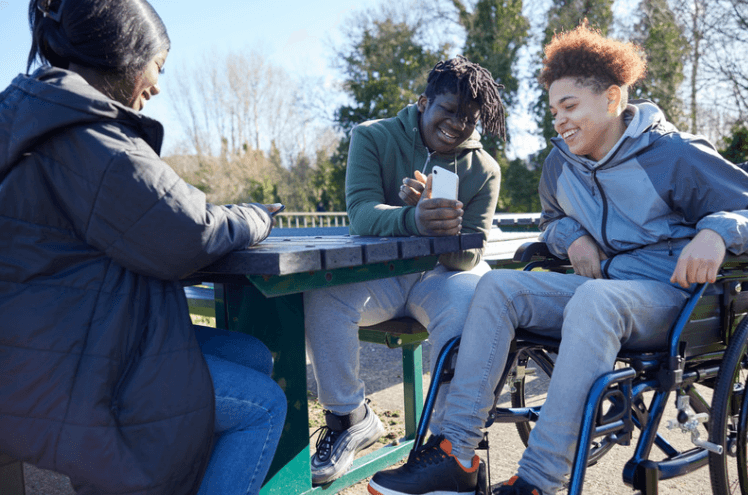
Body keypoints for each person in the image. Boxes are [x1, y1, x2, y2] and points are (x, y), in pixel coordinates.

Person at [368, 22, 748, 495]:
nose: (560, 120)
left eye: (570, 106)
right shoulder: (560, 162)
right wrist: (572, 239)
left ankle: (539, 482)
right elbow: (551, 218)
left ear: (612, 99)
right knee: (499, 286)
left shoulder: (672, 154)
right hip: (605, 287)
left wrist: (716, 232)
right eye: (553, 110)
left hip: (673, 295)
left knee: (594, 300)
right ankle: (456, 455)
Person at [0, 1, 286, 494]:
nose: (156, 85)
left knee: (251, 352)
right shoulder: (89, 138)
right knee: (263, 405)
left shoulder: (38, 119)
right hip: (71, 370)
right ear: (122, 57)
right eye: (157, 66)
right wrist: (254, 216)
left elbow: (155, 218)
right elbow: (190, 233)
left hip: (52, 342)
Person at [304, 56, 506, 485]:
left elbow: (472, 255)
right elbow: (360, 213)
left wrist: (445, 234)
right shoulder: (373, 136)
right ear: (423, 102)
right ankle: (350, 418)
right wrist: (410, 219)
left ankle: (447, 447)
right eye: (448, 110)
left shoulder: (485, 170)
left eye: (468, 119)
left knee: (474, 299)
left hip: (444, 275)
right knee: (322, 293)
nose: (457, 124)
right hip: (387, 272)